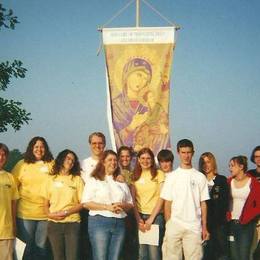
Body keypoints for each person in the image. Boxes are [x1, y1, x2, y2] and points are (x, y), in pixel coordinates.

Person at [160, 139, 210, 260]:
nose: (186, 156)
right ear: (178, 153)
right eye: (183, 152)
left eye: (188, 152)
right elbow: (167, 203)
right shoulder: (172, 176)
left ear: (193, 153)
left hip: (193, 226)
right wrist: (169, 223)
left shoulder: (200, 177)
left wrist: (204, 227)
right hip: (174, 225)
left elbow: (203, 203)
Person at [81, 150, 133, 260]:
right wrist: (107, 207)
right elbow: (86, 202)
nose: (113, 163)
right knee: (101, 257)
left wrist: (122, 205)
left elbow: (130, 204)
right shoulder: (94, 180)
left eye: (115, 160)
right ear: (103, 162)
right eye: (110, 160)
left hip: (119, 223)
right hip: (99, 222)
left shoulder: (120, 182)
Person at [12, 136, 53, 260]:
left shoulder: (52, 163)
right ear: (31, 148)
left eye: (42, 147)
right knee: (27, 248)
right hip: (25, 214)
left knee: (42, 248)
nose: (39, 149)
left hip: (45, 214)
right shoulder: (22, 164)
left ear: (45, 149)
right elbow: (13, 187)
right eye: (36, 147)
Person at [42, 149, 84, 260]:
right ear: (61, 159)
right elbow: (45, 203)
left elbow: (82, 204)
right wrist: (49, 215)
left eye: (73, 160)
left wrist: (66, 212)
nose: (70, 162)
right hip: (54, 224)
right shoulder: (50, 179)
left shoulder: (77, 180)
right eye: (68, 158)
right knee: (58, 257)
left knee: (72, 257)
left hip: (72, 223)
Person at [131, 147, 165, 260]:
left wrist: (151, 219)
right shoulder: (134, 175)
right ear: (139, 160)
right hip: (140, 216)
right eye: (143, 158)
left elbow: (161, 197)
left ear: (152, 160)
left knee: (154, 253)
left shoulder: (159, 174)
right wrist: (138, 219)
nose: (145, 161)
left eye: (148, 158)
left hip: (155, 217)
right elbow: (133, 200)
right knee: (142, 253)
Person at [112, 58, 151, 149]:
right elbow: (115, 137)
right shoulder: (116, 105)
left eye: (145, 78)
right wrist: (131, 127)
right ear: (127, 75)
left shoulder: (147, 106)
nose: (141, 81)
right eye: (139, 75)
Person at [227, 156, 260, 260]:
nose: (230, 168)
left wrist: (254, 217)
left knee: (244, 256)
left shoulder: (253, 183)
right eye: (229, 166)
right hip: (231, 224)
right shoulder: (228, 182)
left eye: (232, 166)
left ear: (241, 166)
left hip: (246, 225)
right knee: (234, 256)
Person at [80, 132, 106, 260]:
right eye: (94, 143)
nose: (97, 146)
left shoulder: (111, 161)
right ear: (90, 145)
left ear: (104, 145)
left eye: (100, 143)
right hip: (88, 210)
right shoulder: (83, 164)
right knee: (88, 247)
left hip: (107, 211)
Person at [199, 152, 229, 260]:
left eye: (208, 162)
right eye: (203, 163)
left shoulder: (221, 180)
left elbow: (224, 203)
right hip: (202, 225)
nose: (206, 165)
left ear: (213, 163)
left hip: (218, 224)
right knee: (205, 254)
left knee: (221, 254)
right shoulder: (199, 180)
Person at [0, 143, 19, 260]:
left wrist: (14, 225)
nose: (1, 157)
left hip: (6, 232)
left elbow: (13, 204)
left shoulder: (10, 177)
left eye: (3, 155)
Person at [248, 146, 260, 260]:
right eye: (256, 156)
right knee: (253, 251)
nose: (259, 159)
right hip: (254, 218)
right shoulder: (250, 174)